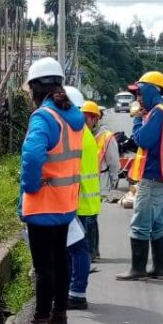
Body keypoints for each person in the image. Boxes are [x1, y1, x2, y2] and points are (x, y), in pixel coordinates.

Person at [11, 57, 85, 324]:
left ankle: (40, 323)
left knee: (44, 266)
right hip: (65, 203)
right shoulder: (72, 116)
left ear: (35, 88)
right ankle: (60, 317)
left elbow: (31, 158)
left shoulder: (43, 117)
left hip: (43, 203)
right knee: (61, 260)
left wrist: (29, 188)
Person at [117, 70, 163, 282]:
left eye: (140, 93)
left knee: (141, 223)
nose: (138, 98)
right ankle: (159, 269)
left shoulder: (157, 113)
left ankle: (138, 269)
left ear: (151, 90)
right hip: (160, 176)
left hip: (152, 178)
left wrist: (137, 118)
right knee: (157, 223)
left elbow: (143, 140)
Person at [63, 87, 97, 310]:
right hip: (83, 200)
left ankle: (76, 293)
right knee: (76, 249)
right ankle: (74, 291)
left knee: (76, 249)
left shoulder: (74, 133)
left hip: (76, 200)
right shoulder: (83, 131)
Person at [82, 99, 121, 257]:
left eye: (86, 119)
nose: (84, 123)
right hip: (86, 183)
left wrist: (114, 180)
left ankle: (92, 251)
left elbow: (114, 162)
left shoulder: (106, 137)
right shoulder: (83, 134)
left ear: (95, 118)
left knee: (90, 218)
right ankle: (92, 250)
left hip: (100, 182)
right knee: (88, 218)